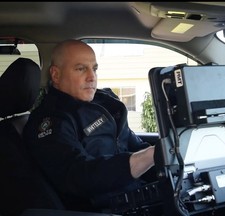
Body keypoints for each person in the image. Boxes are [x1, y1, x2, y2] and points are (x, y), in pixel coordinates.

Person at [23, 39, 156, 212]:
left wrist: (165, 159)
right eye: (80, 69)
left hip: (139, 196)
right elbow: (79, 175)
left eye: (94, 68)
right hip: (106, 208)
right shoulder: (51, 122)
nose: (92, 77)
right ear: (56, 75)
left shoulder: (105, 103)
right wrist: (145, 158)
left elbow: (134, 144)